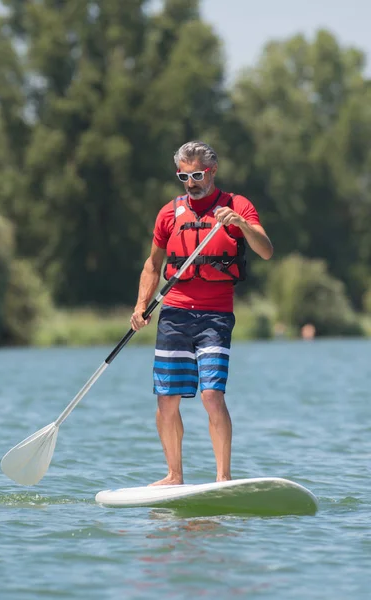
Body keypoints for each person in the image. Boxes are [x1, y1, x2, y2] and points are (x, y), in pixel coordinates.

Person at [130, 141, 273, 486]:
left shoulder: (237, 206)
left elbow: (266, 251)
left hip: (216, 315)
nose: (190, 182)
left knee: (212, 394)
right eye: (184, 175)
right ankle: (173, 475)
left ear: (212, 171)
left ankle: (223, 477)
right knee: (167, 399)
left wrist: (241, 224)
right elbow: (153, 264)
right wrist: (140, 305)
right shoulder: (169, 213)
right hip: (175, 312)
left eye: (197, 174)